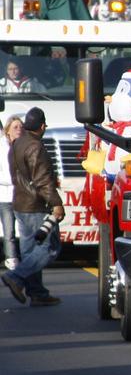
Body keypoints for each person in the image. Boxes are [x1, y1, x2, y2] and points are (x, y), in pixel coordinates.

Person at [1, 108, 63, 307]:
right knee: (50, 247)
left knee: (29, 251)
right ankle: (16, 277)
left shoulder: (17, 144)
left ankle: (37, 293)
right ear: (42, 126)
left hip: (19, 203)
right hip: (35, 205)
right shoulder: (36, 146)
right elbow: (42, 180)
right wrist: (56, 204)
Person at [1, 115, 23, 270]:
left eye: (21, 127)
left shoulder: (25, 147)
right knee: (9, 231)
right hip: (5, 197)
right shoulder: (2, 148)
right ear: (7, 130)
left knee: (25, 230)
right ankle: (11, 259)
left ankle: (25, 258)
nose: (19, 130)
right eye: (15, 127)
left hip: (22, 196)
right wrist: (14, 180)